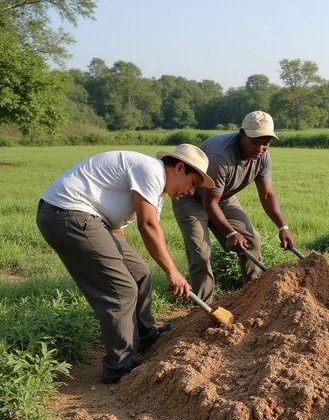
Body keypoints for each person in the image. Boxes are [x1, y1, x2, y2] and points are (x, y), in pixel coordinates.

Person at [36, 144, 214, 384]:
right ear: (179, 167)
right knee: (121, 290)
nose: (192, 192)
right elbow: (148, 226)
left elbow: (119, 227)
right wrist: (173, 272)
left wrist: (122, 260)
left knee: (138, 272)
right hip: (67, 214)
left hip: (88, 219)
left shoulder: (155, 190)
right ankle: (118, 367)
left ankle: (144, 335)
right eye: (192, 183)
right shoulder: (151, 170)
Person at [172, 110, 295, 301]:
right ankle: (205, 308)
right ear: (241, 134)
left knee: (251, 240)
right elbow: (209, 202)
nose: (260, 147)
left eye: (266, 142)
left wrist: (283, 226)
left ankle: (255, 298)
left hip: (223, 197)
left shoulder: (263, 156)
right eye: (255, 141)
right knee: (201, 253)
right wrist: (230, 233)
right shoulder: (220, 156)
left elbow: (267, 194)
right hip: (191, 197)